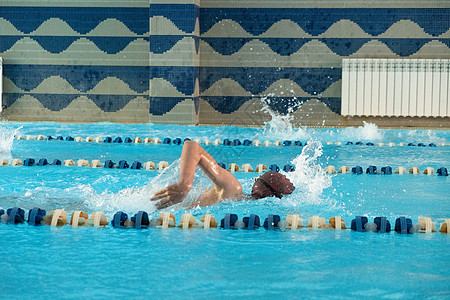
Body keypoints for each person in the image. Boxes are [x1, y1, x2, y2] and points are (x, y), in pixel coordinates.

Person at [151, 140, 295, 209]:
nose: (259, 176)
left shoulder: (234, 194)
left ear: (264, 192)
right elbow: (190, 146)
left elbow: (193, 146)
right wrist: (185, 184)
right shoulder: (234, 192)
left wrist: (184, 186)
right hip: (154, 203)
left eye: (280, 177)